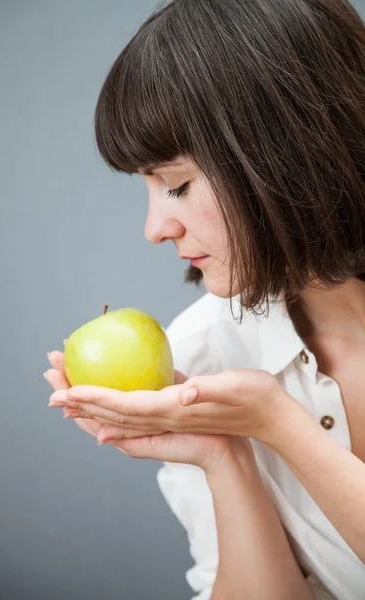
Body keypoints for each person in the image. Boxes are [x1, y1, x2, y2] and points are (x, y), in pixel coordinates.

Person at [44, 0, 365, 598]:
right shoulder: (204, 358)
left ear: (287, 151)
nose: (154, 228)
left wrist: (281, 427)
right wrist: (224, 454)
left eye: (176, 185)